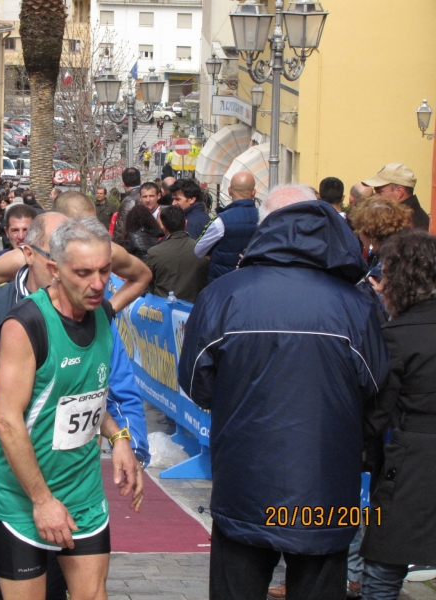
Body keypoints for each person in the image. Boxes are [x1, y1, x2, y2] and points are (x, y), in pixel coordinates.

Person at [178, 184, 389, 600]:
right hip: (325, 481)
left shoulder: (225, 294)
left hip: (244, 476)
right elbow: (375, 388)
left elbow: (196, 383)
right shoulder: (355, 304)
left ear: (265, 226)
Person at [0, 212, 150, 600]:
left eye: (104, 271)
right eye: (83, 273)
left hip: (82, 491)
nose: (98, 284)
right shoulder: (25, 324)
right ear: (54, 269)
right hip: (22, 495)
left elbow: (89, 397)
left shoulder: (102, 317)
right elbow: (7, 421)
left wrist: (121, 439)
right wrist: (42, 501)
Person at [360, 230, 436, 599]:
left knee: (384, 563)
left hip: (410, 459)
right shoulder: (399, 331)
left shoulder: (397, 334)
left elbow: (377, 411)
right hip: (413, 452)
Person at [0, 190, 153, 314]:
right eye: (78, 225)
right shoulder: (29, 255)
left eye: (92, 224)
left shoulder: (106, 250)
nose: (87, 231)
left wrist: (108, 311)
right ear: (59, 221)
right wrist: (2, 321)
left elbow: (142, 275)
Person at [193, 172, 259, 283]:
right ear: (254, 192)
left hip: (222, 282)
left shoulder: (221, 221)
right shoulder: (264, 218)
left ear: (229, 191)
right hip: (253, 281)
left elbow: (198, 250)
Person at [145, 205, 208, 302]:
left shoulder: (155, 253)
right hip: (194, 308)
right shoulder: (201, 249)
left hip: (163, 309)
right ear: (186, 224)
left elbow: (148, 284)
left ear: (164, 228)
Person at [363, 163, 429, 230]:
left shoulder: (403, 226)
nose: (375, 197)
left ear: (399, 192)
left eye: (379, 192)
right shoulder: (406, 220)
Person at [113, 167, 141, 243]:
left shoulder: (129, 201)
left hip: (132, 245)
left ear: (123, 183)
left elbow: (121, 228)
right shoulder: (147, 195)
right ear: (141, 181)